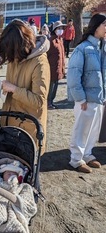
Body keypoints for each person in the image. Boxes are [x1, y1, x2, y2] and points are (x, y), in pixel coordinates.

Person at [0, 19, 50, 154]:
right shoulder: (14, 58)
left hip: (27, 131)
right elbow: (11, 86)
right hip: (9, 125)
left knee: (25, 169)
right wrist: (2, 89)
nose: (10, 57)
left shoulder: (40, 63)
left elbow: (39, 101)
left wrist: (13, 89)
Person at [67, 13, 106, 173]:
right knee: (81, 129)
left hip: (98, 97)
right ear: (96, 26)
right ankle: (76, 159)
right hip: (85, 99)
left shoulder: (100, 48)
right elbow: (73, 76)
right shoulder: (82, 49)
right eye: (105, 25)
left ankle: (88, 154)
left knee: (93, 129)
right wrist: (80, 98)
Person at [47, 21, 66, 109]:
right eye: (59, 28)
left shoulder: (60, 40)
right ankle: (48, 102)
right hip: (51, 69)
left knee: (55, 87)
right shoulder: (51, 41)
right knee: (51, 87)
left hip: (58, 69)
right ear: (54, 30)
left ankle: (51, 101)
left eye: (62, 28)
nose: (61, 30)